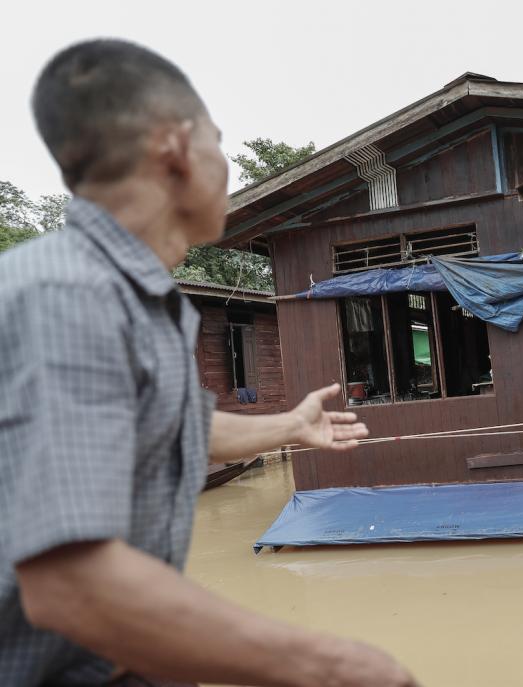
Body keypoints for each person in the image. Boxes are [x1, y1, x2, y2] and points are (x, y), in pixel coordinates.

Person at [0, 40, 418, 687]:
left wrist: (290, 425)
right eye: (216, 142)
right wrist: (331, 665)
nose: (225, 163)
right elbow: (70, 583)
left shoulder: (135, 296)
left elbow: (177, 424)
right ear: (172, 146)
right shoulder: (67, 295)